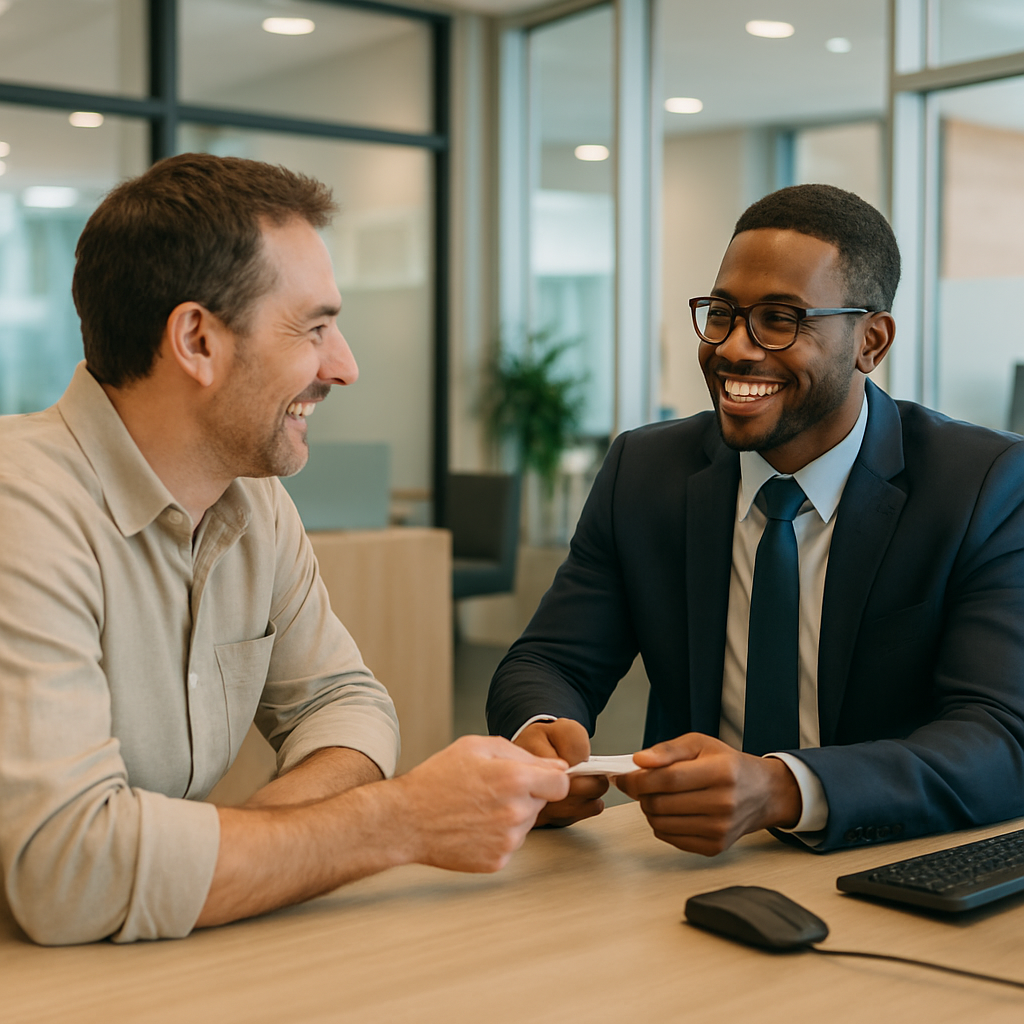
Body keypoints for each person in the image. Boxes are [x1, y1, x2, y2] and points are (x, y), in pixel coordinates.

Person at [0, 154, 569, 946]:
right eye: (314, 328)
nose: (345, 366)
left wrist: (245, 850)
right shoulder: (20, 507)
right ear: (197, 340)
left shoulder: (252, 501)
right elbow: (69, 872)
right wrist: (399, 822)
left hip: (137, 963)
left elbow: (348, 706)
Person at [487, 183, 1024, 856]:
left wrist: (782, 789)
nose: (735, 348)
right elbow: (550, 659)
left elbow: (1001, 737)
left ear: (871, 341)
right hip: (691, 864)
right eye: (722, 313)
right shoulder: (644, 470)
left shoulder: (982, 485)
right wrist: (541, 731)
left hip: (888, 857)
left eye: (780, 319)